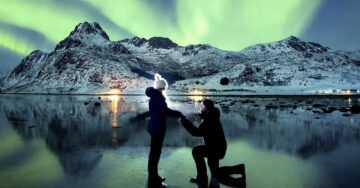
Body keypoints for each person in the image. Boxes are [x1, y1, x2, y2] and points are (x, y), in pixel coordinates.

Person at [180, 99, 245, 187]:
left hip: (215, 149)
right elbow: (203, 123)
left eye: (202, 106)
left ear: (207, 108)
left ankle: (201, 178)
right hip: (216, 148)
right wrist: (199, 115)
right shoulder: (211, 116)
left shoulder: (209, 119)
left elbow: (196, 132)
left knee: (196, 151)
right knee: (215, 172)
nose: (200, 107)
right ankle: (239, 169)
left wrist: (184, 121)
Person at [145, 73, 184, 187]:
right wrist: (179, 114)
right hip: (158, 128)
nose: (164, 89)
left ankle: (152, 175)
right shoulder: (158, 97)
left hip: (154, 126)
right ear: (161, 87)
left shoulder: (154, 97)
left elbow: (159, 111)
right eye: (164, 87)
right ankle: (154, 177)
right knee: (155, 153)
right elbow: (165, 111)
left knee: (154, 153)